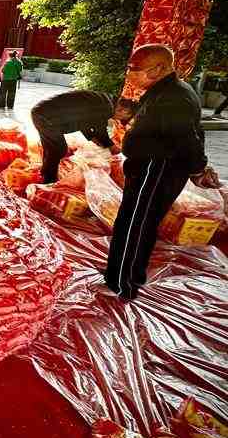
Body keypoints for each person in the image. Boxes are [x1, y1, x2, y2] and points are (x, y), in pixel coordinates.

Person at [105, 44, 220, 301]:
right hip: (150, 168)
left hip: (155, 170)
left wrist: (199, 168)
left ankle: (122, 284)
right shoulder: (164, 92)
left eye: (135, 69)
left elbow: (188, 139)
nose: (130, 73)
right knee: (136, 223)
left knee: (135, 225)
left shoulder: (174, 97)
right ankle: (124, 276)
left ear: (158, 69)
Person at [30, 91, 136, 184]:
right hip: (47, 117)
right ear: (124, 110)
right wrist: (112, 147)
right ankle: (49, 181)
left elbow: (85, 121)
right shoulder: (106, 107)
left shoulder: (105, 101)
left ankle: (45, 174)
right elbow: (100, 129)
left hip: (43, 113)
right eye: (123, 118)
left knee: (52, 149)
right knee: (58, 149)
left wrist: (91, 137)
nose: (118, 119)